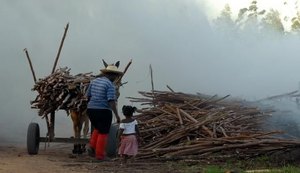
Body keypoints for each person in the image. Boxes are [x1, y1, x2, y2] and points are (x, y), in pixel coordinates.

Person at [86, 62, 123, 160]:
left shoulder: (94, 81)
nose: (115, 77)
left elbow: (88, 96)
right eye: (115, 75)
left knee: (97, 129)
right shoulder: (110, 85)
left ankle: (92, 147)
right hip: (103, 110)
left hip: (91, 110)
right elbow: (111, 101)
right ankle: (100, 155)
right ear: (112, 75)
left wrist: (92, 105)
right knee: (104, 132)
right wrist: (117, 115)